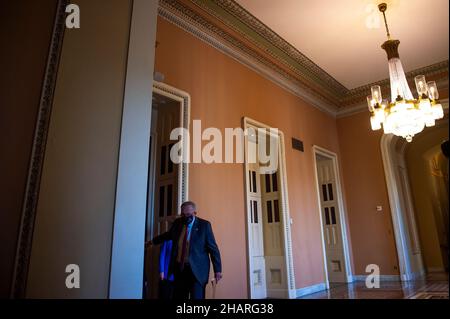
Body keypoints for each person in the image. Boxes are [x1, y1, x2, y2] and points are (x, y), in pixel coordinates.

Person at [147, 201, 222, 299]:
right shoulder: (178, 223)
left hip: (197, 271)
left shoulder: (204, 225)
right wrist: (152, 242)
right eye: (183, 214)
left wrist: (218, 270)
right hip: (180, 270)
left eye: (188, 214)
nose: (185, 217)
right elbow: (168, 235)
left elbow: (213, 249)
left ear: (195, 213)